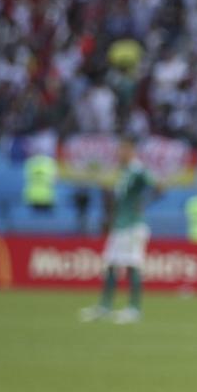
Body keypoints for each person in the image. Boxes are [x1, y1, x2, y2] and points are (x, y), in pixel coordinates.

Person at [79, 136, 155, 324]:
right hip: (121, 225)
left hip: (132, 225)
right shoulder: (125, 171)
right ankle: (105, 306)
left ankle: (134, 309)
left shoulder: (137, 170)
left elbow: (157, 186)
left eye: (122, 150)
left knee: (132, 264)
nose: (119, 153)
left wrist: (143, 204)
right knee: (111, 264)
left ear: (130, 150)